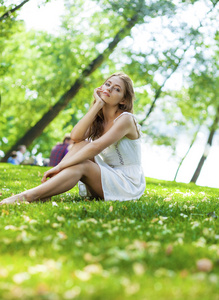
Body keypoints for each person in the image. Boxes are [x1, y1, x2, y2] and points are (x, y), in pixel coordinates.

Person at [0, 72, 145, 205]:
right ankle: (44, 192)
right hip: (107, 173)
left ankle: (28, 196)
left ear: (124, 101)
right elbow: (76, 137)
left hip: (127, 182)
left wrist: (60, 166)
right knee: (81, 144)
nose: (109, 89)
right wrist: (96, 106)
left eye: (117, 89)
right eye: (107, 84)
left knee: (83, 164)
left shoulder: (126, 120)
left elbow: (96, 147)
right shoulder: (99, 119)